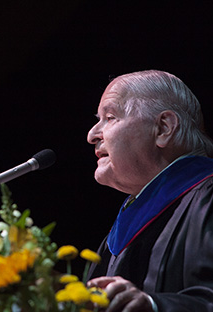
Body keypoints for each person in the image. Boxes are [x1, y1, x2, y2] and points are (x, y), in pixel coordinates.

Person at [86, 70, 213, 311]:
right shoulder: (122, 228)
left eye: (110, 117)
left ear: (164, 128)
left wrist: (154, 306)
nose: (92, 135)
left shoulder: (207, 198)